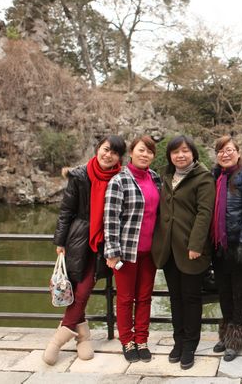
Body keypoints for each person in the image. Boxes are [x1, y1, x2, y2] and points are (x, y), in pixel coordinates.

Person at [43, 135, 126, 366]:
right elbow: (66, 211)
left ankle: (58, 340)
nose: (108, 155)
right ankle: (82, 336)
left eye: (115, 153)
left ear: (120, 157)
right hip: (78, 239)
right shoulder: (79, 176)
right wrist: (60, 241)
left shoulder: (121, 178)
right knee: (76, 288)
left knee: (84, 289)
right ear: (98, 148)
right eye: (106, 149)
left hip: (104, 242)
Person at [151, 135, 215, 370]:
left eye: (185, 151)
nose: (180, 155)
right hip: (168, 249)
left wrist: (196, 245)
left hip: (191, 250)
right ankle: (178, 341)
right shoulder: (167, 177)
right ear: (170, 156)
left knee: (191, 299)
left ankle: (190, 345)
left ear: (193, 154)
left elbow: (204, 214)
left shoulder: (203, 178)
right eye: (176, 151)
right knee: (175, 298)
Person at [104, 135, 160, 363]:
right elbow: (111, 218)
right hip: (126, 252)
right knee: (126, 299)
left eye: (149, 151)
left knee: (145, 297)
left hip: (150, 252)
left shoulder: (155, 178)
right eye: (141, 150)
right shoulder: (119, 181)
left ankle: (142, 339)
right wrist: (112, 251)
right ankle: (127, 340)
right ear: (131, 152)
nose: (145, 154)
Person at [210, 136, 242, 362]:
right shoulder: (217, 177)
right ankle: (226, 333)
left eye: (229, 150)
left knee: (239, 292)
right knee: (224, 292)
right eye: (221, 151)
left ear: (238, 152)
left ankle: (236, 338)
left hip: (240, 246)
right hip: (219, 245)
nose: (225, 154)